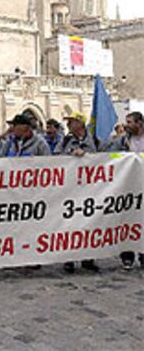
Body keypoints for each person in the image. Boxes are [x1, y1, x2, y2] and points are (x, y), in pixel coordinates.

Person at [55, 111, 99, 273]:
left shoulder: (94, 140)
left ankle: (88, 258)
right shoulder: (66, 140)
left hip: (90, 190)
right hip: (70, 190)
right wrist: (70, 156)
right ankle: (69, 259)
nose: (68, 125)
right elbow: (56, 156)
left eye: (71, 122)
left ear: (80, 124)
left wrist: (86, 156)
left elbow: (103, 158)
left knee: (90, 224)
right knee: (70, 225)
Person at [104, 111, 144, 270]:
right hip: (127, 185)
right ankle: (127, 256)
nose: (126, 125)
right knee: (126, 220)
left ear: (139, 123)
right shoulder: (123, 140)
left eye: (129, 122)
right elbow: (111, 156)